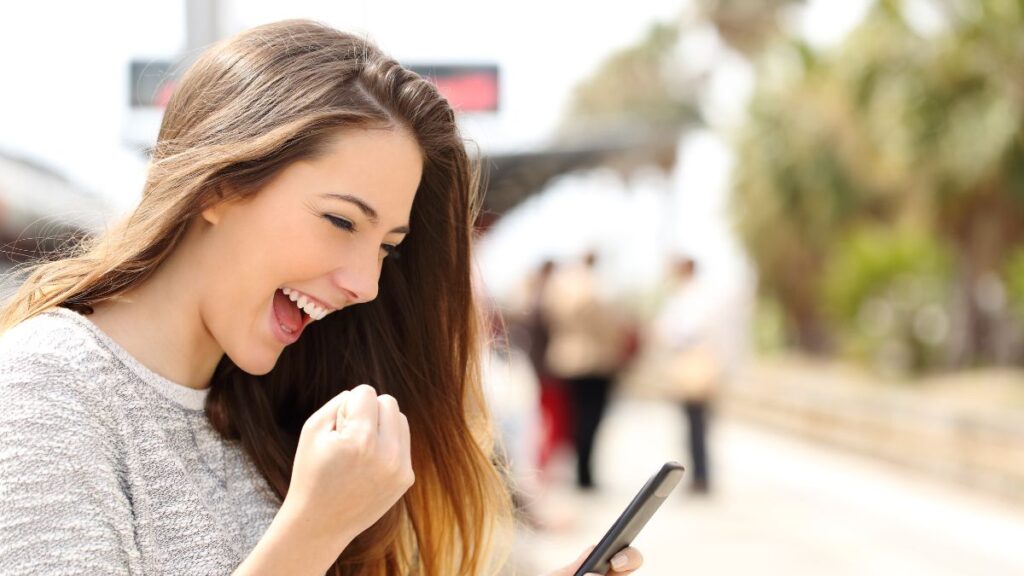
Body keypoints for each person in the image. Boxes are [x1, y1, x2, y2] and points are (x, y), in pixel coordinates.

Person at [0, 20, 643, 576]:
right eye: (341, 222)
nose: (365, 285)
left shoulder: (266, 407)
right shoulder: (46, 387)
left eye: (388, 247)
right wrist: (313, 529)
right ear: (219, 185)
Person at [542, 251, 630, 489]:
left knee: (574, 417)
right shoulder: (600, 287)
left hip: (567, 359)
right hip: (596, 360)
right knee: (591, 417)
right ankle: (584, 471)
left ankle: (577, 468)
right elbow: (613, 326)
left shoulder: (559, 287)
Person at [652, 256, 722, 494]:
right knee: (693, 424)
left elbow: (684, 330)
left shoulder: (694, 297)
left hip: (693, 362)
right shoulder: (690, 295)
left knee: (697, 424)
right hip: (690, 362)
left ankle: (701, 477)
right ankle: (699, 475)